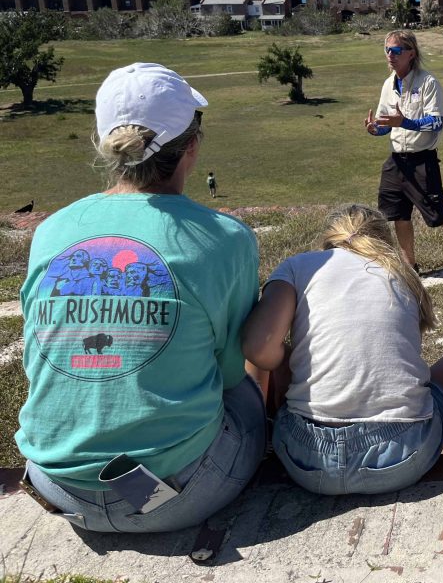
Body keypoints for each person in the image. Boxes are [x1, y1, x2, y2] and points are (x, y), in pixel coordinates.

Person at [16, 62, 264, 533]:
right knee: (248, 391)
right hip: (171, 495)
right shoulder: (226, 239)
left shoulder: (51, 232)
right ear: (191, 146)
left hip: (56, 486)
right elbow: (232, 371)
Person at [241, 204, 443, 495]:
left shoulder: (298, 266)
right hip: (404, 455)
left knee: (269, 347)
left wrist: (288, 360)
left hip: (306, 458)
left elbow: (257, 347)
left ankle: (260, 439)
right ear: (383, 240)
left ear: (329, 238)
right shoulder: (401, 272)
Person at [364, 30, 443, 274]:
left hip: (422, 159)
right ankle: (410, 266)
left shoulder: (428, 83)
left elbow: (436, 122)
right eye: (387, 51)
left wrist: (405, 123)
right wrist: (375, 129)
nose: (390, 56)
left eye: (396, 51)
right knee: (399, 215)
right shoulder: (388, 85)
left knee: (438, 214)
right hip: (396, 160)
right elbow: (387, 124)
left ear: (411, 53)